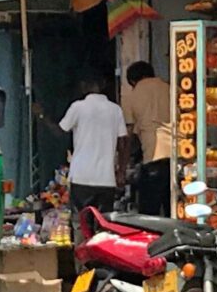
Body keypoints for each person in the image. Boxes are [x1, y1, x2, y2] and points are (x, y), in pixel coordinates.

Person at [59, 76, 127, 219]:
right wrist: (121, 171)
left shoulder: (78, 107)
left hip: (81, 177)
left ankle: (83, 243)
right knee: (103, 223)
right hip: (106, 179)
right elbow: (123, 144)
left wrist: (41, 115)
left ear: (83, 85)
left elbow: (60, 131)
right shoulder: (115, 110)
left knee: (81, 223)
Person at [119, 60, 174, 216]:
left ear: (133, 81)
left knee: (149, 214)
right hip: (180, 158)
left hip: (153, 159)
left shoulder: (132, 95)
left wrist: (122, 169)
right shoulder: (170, 88)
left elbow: (128, 135)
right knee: (174, 210)